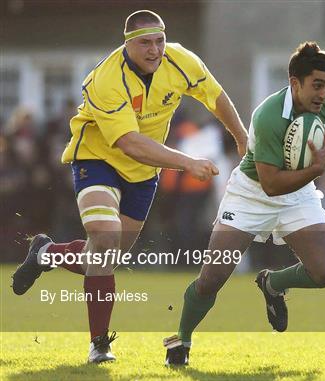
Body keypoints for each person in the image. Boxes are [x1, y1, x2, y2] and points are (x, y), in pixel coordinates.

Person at [11, 10, 247, 364]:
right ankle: (99, 344)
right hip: (97, 160)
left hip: (144, 170)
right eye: (145, 43)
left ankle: (46, 253)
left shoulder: (180, 60)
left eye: (159, 41)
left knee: (107, 256)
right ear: (128, 44)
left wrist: (242, 138)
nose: (155, 50)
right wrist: (187, 162)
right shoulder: (106, 79)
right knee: (105, 241)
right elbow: (128, 142)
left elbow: (215, 96)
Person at [163, 41, 325, 366]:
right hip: (252, 193)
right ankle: (181, 338)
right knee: (212, 279)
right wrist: (317, 169)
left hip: (299, 191)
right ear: (295, 83)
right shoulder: (269, 116)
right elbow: (270, 184)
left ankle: (272, 283)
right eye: (317, 85)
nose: (324, 93)